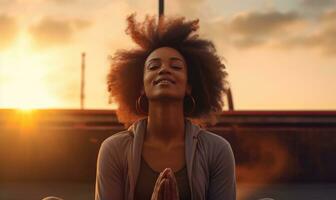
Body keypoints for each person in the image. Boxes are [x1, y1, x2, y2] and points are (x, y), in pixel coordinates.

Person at [95, 13, 236, 200]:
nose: (164, 69)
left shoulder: (217, 150)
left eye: (176, 66)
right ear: (141, 86)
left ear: (189, 86)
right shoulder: (114, 149)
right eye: (153, 66)